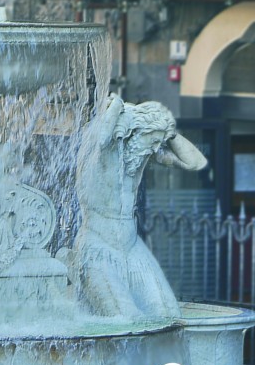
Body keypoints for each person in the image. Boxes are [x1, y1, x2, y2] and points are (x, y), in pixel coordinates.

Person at [73, 94, 207, 321]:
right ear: (132, 133)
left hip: (132, 248)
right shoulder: (105, 149)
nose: (156, 147)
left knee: (168, 315)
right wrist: (115, 107)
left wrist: (170, 133)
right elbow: (105, 136)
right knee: (124, 319)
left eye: (158, 142)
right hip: (98, 248)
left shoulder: (143, 152)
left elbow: (196, 162)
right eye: (152, 140)